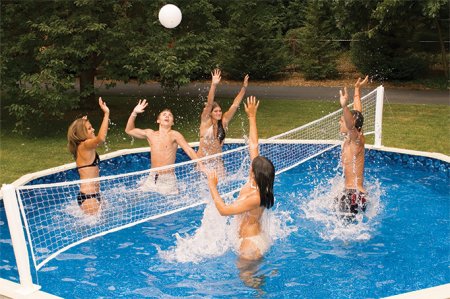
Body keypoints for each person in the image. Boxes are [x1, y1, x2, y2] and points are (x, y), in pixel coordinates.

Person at [207, 96, 275, 261]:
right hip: (250, 239)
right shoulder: (257, 183)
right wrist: (251, 116)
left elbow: (224, 211)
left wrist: (213, 186)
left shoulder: (255, 197)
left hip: (250, 244)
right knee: (253, 282)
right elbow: (253, 145)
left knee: (249, 280)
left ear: (254, 171)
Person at [125, 99, 200, 195]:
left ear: (172, 122)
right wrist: (134, 112)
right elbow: (129, 130)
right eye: (164, 114)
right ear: (158, 120)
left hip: (167, 180)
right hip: (152, 177)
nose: (167, 116)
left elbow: (189, 150)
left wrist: (200, 165)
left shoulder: (175, 135)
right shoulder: (150, 134)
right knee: (136, 197)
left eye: (170, 115)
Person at [198, 69, 249, 175]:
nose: (219, 113)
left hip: (217, 161)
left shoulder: (224, 121)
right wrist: (214, 85)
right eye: (215, 111)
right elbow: (209, 103)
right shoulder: (206, 121)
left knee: (223, 185)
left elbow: (235, 105)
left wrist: (244, 88)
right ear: (210, 113)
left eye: (220, 111)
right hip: (203, 162)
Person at [67, 97, 109, 215]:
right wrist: (106, 114)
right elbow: (101, 138)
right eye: (89, 128)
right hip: (89, 197)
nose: (93, 129)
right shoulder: (85, 145)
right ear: (82, 133)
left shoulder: (82, 146)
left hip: (95, 194)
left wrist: (83, 122)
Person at [336, 75, 369, 216]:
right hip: (352, 193)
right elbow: (358, 112)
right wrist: (357, 89)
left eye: (342, 120)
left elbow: (351, 124)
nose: (339, 122)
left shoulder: (356, 140)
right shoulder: (353, 139)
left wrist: (344, 106)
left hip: (354, 194)